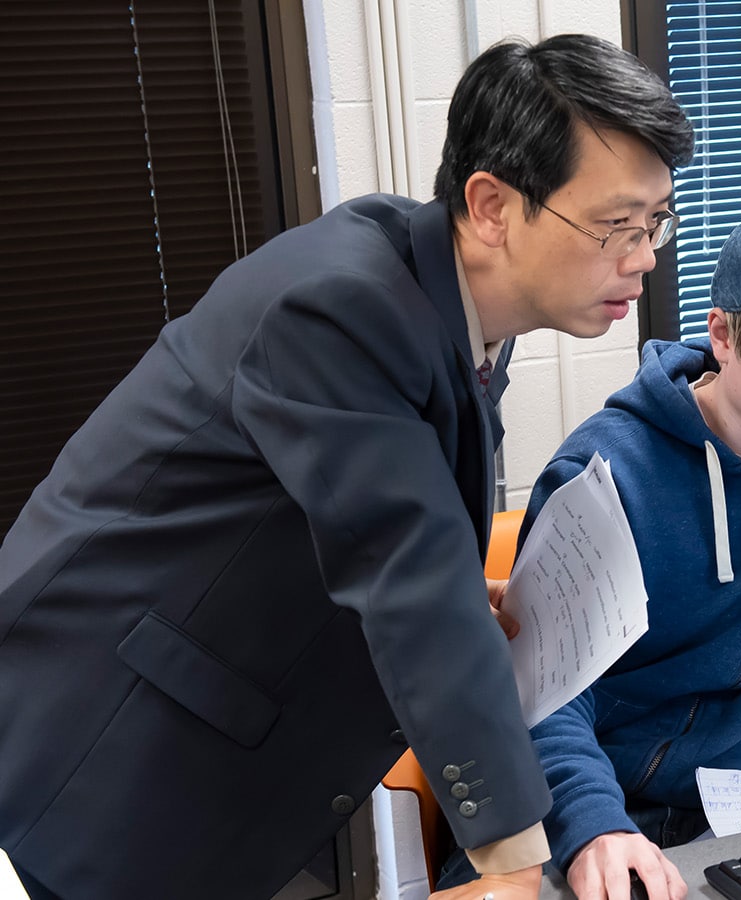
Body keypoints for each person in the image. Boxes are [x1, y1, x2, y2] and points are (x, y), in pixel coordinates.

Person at [0, 34, 692, 900]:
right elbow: (414, 583)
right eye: (614, 225)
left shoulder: (453, 301)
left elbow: (370, 517)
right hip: (102, 741)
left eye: (655, 221)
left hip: (212, 734)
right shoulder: (343, 306)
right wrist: (513, 860)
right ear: (491, 205)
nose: (644, 256)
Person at [439, 200, 741, 900]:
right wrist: (595, 828)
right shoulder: (608, 474)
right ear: (723, 335)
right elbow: (540, 693)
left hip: (737, 824)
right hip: (569, 818)